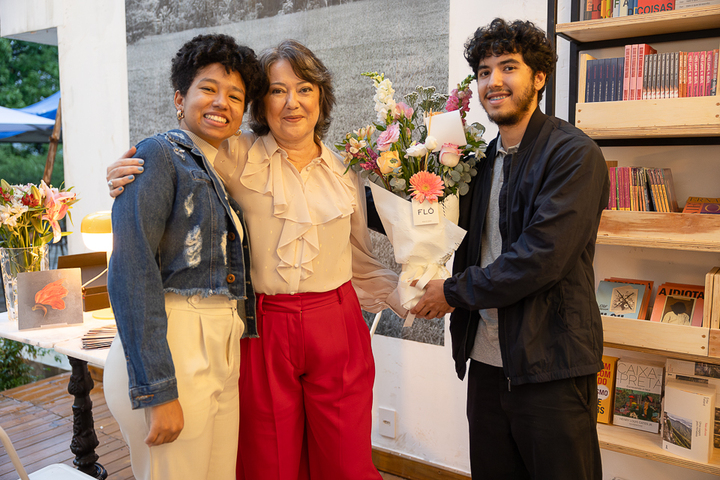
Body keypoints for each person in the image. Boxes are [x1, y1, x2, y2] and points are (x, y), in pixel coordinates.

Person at [106, 39, 402, 480]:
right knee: (269, 462)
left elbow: (357, 255)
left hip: (337, 323)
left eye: (304, 89)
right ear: (262, 105)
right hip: (263, 325)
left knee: (345, 463)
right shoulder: (234, 153)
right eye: (278, 91)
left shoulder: (347, 171)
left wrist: (411, 292)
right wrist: (123, 173)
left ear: (322, 97)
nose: (292, 103)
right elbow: (179, 164)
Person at [410, 18, 609, 480]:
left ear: (539, 77)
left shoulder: (573, 155)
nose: (493, 81)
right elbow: (439, 226)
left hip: (551, 368)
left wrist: (453, 292)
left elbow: (542, 258)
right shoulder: (477, 165)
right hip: (484, 364)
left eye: (508, 67)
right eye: (483, 71)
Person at [103, 34, 264, 480]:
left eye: (235, 95)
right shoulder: (159, 154)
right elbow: (131, 269)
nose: (222, 103)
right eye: (208, 88)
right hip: (175, 342)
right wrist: (158, 390)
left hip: (220, 340)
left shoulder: (216, 166)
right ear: (180, 97)